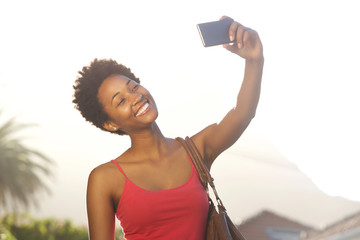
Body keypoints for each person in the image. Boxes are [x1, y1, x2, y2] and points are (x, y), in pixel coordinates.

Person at [72, 16, 263, 240]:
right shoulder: (104, 178)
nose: (135, 97)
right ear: (110, 124)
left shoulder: (196, 151)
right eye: (120, 101)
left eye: (133, 87)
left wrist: (254, 60)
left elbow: (242, 113)